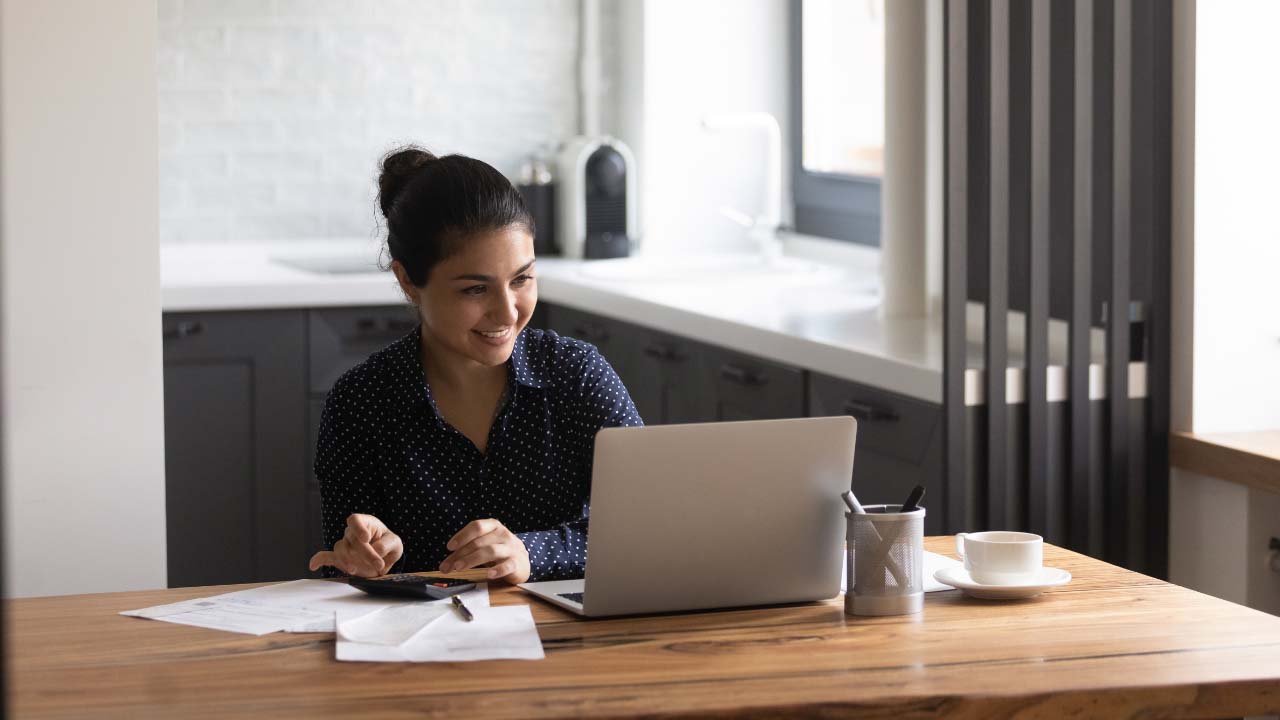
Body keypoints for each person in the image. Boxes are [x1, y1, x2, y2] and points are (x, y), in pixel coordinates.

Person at [307, 147, 642, 584]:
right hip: (420, 644)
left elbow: (652, 523)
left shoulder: (574, 373)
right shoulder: (360, 402)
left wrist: (531, 553)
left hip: (564, 637)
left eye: (521, 279)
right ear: (408, 281)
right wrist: (364, 557)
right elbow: (341, 565)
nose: (507, 313)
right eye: (474, 290)